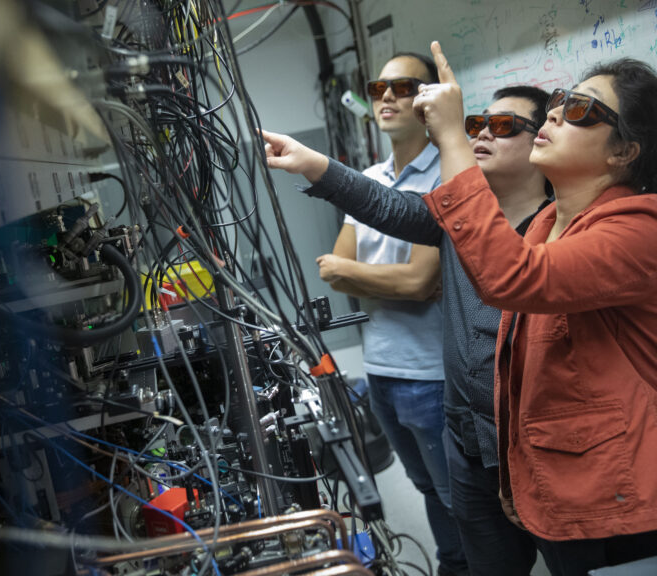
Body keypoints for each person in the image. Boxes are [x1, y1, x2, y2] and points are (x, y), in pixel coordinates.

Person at [265, 42, 657, 576]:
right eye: (562, 100)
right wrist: (316, 166)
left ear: (624, 152)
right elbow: (397, 209)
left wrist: (450, 137)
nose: (559, 114)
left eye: (583, 110)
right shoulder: (549, 224)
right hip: (503, 444)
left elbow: (511, 276)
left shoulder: (637, 230)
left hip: (597, 478)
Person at [264, 84, 550, 575]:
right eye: (477, 123)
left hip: (535, 443)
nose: (481, 133)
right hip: (466, 436)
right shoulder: (458, 217)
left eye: (503, 127)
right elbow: (386, 205)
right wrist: (312, 162)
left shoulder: (564, 229)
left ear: (541, 144)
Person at [318, 52, 467, 576]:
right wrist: (374, 279)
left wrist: (359, 274)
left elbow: (419, 280)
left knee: (458, 498)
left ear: (428, 100)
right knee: (426, 486)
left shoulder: (447, 175)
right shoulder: (368, 178)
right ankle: (454, 562)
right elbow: (333, 272)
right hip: (380, 367)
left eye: (403, 87)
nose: (386, 96)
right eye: (379, 86)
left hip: (430, 373)